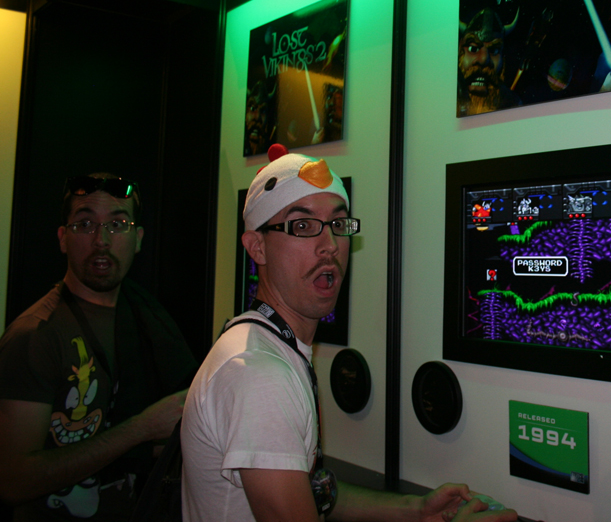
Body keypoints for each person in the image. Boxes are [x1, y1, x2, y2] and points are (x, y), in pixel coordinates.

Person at [181, 146, 516, 522]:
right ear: (257, 247)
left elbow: (312, 493)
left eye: (338, 225)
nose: (329, 246)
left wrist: (416, 510)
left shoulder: (272, 345)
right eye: (302, 226)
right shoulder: (258, 374)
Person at [0, 174, 197, 521]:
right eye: (85, 224)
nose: (101, 240)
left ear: (138, 239)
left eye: (117, 224)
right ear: (63, 238)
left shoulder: (146, 321)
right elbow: (14, 481)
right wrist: (140, 428)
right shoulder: (34, 335)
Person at [457, 8, 521, 116]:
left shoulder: (513, 104)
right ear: (459, 51)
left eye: (494, 51)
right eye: (473, 49)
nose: (484, 59)